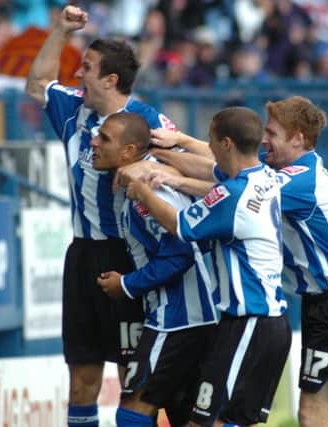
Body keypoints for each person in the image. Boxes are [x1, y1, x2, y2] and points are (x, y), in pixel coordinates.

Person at [146, 96, 328, 427]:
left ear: (298, 138)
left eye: (272, 132)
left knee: (312, 414)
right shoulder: (283, 173)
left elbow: (233, 181)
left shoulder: (297, 179)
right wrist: (176, 151)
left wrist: (167, 172)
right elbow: (229, 167)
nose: (264, 139)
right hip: (324, 302)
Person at [24, 6, 177, 427]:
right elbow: (37, 84)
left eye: (87, 67)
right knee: (82, 380)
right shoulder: (74, 110)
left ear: (111, 80)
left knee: (134, 381)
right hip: (82, 258)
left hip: (130, 259)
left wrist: (150, 170)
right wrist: (60, 30)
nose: (78, 74)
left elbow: (192, 165)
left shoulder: (149, 123)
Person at [118, 106, 292, 427]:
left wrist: (143, 188)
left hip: (249, 322)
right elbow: (211, 178)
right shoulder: (264, 177)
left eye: (211, 140)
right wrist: (169, 166)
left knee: (204, 422)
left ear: (226, 143)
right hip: (271, 324)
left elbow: (180, 225)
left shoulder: (234, 195)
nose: (208, 147)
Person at [91, 112, 218, 427]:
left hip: (179, 317)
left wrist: (128, 285)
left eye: (104, 138)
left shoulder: (148, 192)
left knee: (133, 409)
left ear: (129, 152)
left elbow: (182, 251)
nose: (94, 142)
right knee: (185, 415)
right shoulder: (146, 180)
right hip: (202, 317)